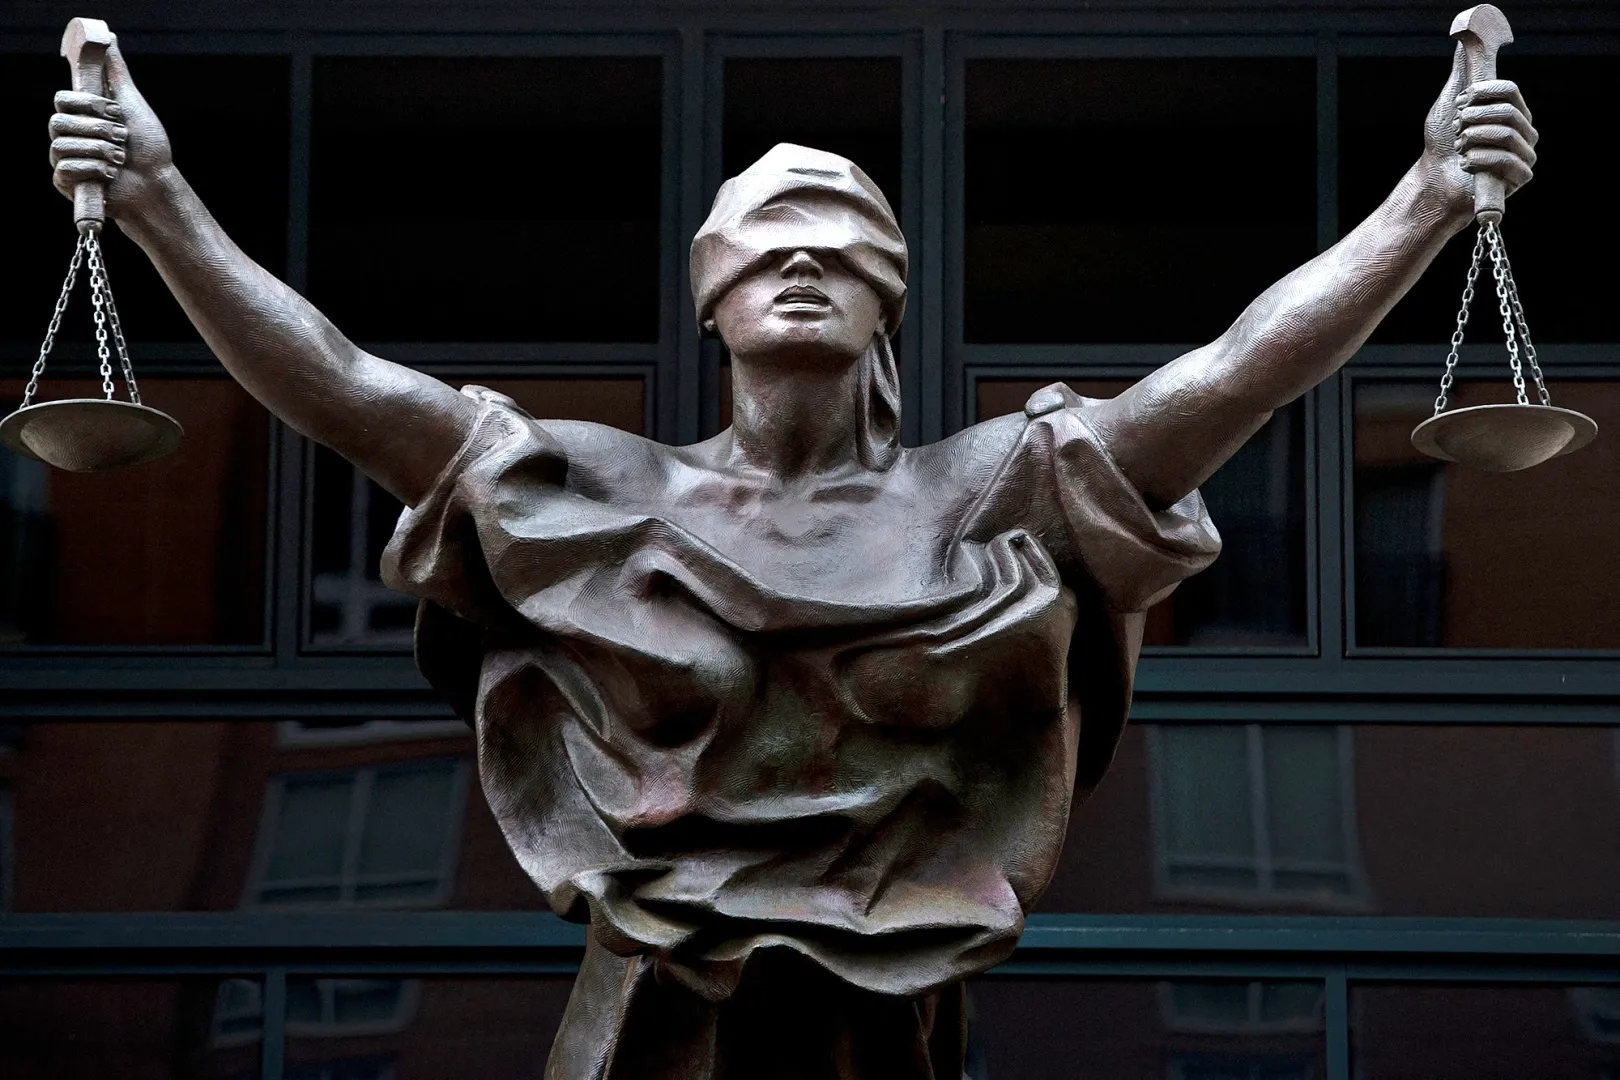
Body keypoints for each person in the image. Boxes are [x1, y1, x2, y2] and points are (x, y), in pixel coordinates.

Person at [47, 39, 1537, 1080]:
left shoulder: (993, 492)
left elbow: (1234, 376)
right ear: (714, 302)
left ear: (887, 297)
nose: (804, 264)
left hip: (887, 1019)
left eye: (839, 245)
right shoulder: (597, 495)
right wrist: (163, 199)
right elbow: (339, 384)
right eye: (767, 247)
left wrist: (1422, 199)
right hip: (644, 1017)